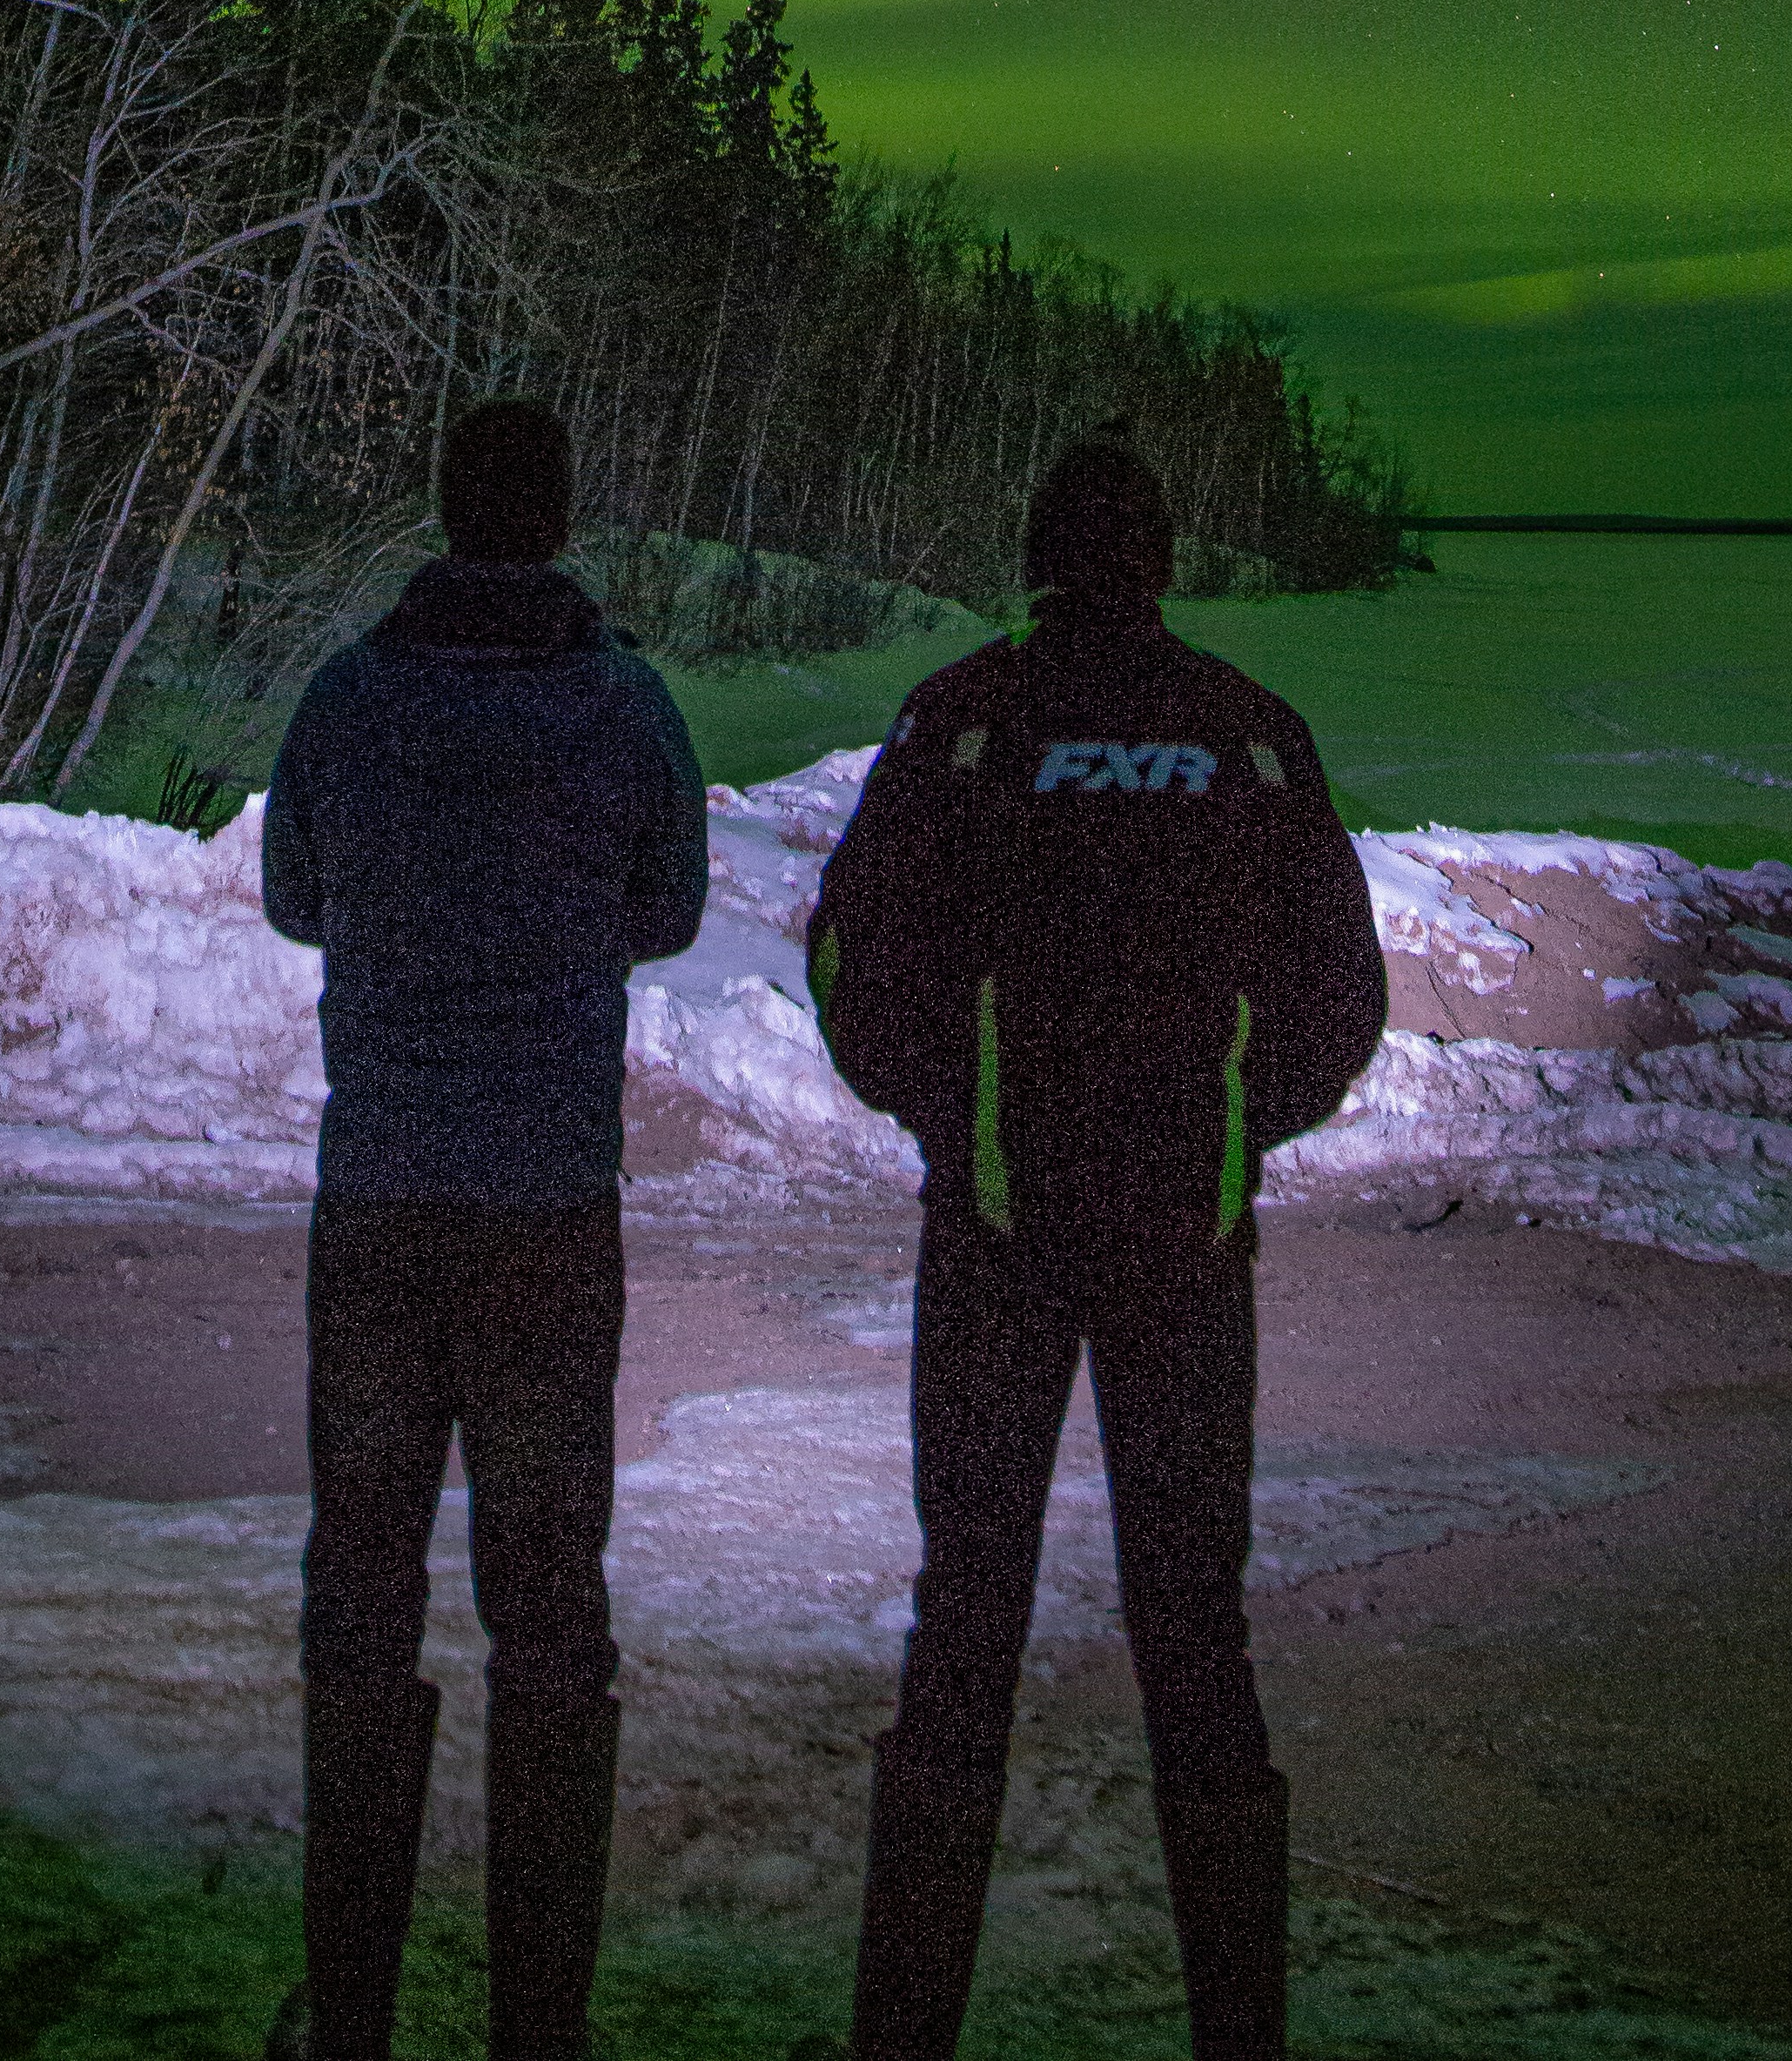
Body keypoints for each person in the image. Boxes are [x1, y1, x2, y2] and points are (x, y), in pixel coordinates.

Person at [802, 431, 1391, 2061]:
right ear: (1161, 558)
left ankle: (903, 2035)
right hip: (1185, 1247)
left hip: (995, 1234)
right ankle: (1236, 2036)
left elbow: (854, 955)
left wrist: (958, 1112)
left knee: (966, 1612)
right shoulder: (1244, 732)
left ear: (1038, 553)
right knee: (1195, 1619)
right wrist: (1222, 1123)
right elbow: (1340, 993)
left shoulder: (965, 720)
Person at [258, 392, 710, 2061]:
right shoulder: (619, 703)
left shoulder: (353, 697)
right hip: (542, 1209)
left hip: (377, 1197)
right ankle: (541, 2021)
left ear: (444, 512)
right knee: (549, 1614)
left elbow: (295, 894)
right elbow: (664, 905)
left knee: (360, 1602)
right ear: (562, 516)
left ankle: (355, 2016)